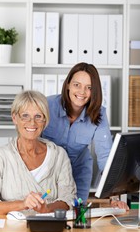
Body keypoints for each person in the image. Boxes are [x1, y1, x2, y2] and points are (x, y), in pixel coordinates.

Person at [42, 62, 129, 210]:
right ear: (68, 84)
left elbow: (105, 157)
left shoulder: (99, 113)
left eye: (89, 87)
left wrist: (114, 196)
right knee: (44, 211)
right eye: (77, 85)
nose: (82, 92)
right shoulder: (47, 105)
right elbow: (28, 137)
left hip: (78, 172)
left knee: (76, 215)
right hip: (46, 172)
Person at [0, 90, 76, 215]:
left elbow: (68, 199)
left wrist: (47, 208)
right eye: (25, 116)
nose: (32, 123)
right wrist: (23, 204)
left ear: (45, 120)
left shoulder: (59, 155)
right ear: (14, 118)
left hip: (49, 230)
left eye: (38, 116)